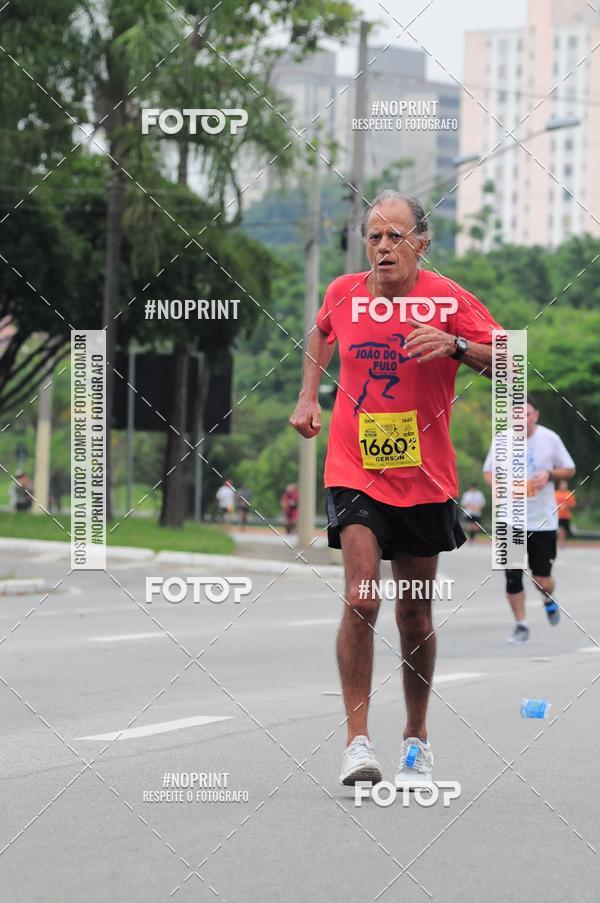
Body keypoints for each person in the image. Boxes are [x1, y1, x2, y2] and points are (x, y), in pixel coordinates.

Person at [290, 191, 501, 789]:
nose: (383, 246)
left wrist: (457, 345)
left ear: (421, 242)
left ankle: (416, 738)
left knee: (413, 612)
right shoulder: (343, 292)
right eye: (374, 236)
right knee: (363, 598)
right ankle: (357, 742)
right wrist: (309, 395)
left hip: (426, 475)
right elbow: (320, 333)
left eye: (395, 236)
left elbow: (511, 359)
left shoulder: (447, 298)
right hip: (355, 467)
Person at [483, 397, 575, 644]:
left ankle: (547, 598)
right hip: (510, 519)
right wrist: (499, 487)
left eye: (528, 414)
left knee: (541, 580)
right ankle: (521, 625)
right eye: (518, 415)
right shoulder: (502, 439)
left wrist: (549, 474)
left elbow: (569, 469)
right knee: (512, 575)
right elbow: (488, 472)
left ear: (536, 415)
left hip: (542, 520)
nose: (523, 419)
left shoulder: (550, 439)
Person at [555, 479, 576, 548]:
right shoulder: (556, 494)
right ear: (559, 485)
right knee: (561, 529)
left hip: (566, 516)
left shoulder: (569, 494)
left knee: (565, 531)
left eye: (565, 484)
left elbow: (573, 504)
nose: (563, 486)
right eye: (562, 484)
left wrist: (566, 506)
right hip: (557, 516)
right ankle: (560, 543)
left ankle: (562, 542)